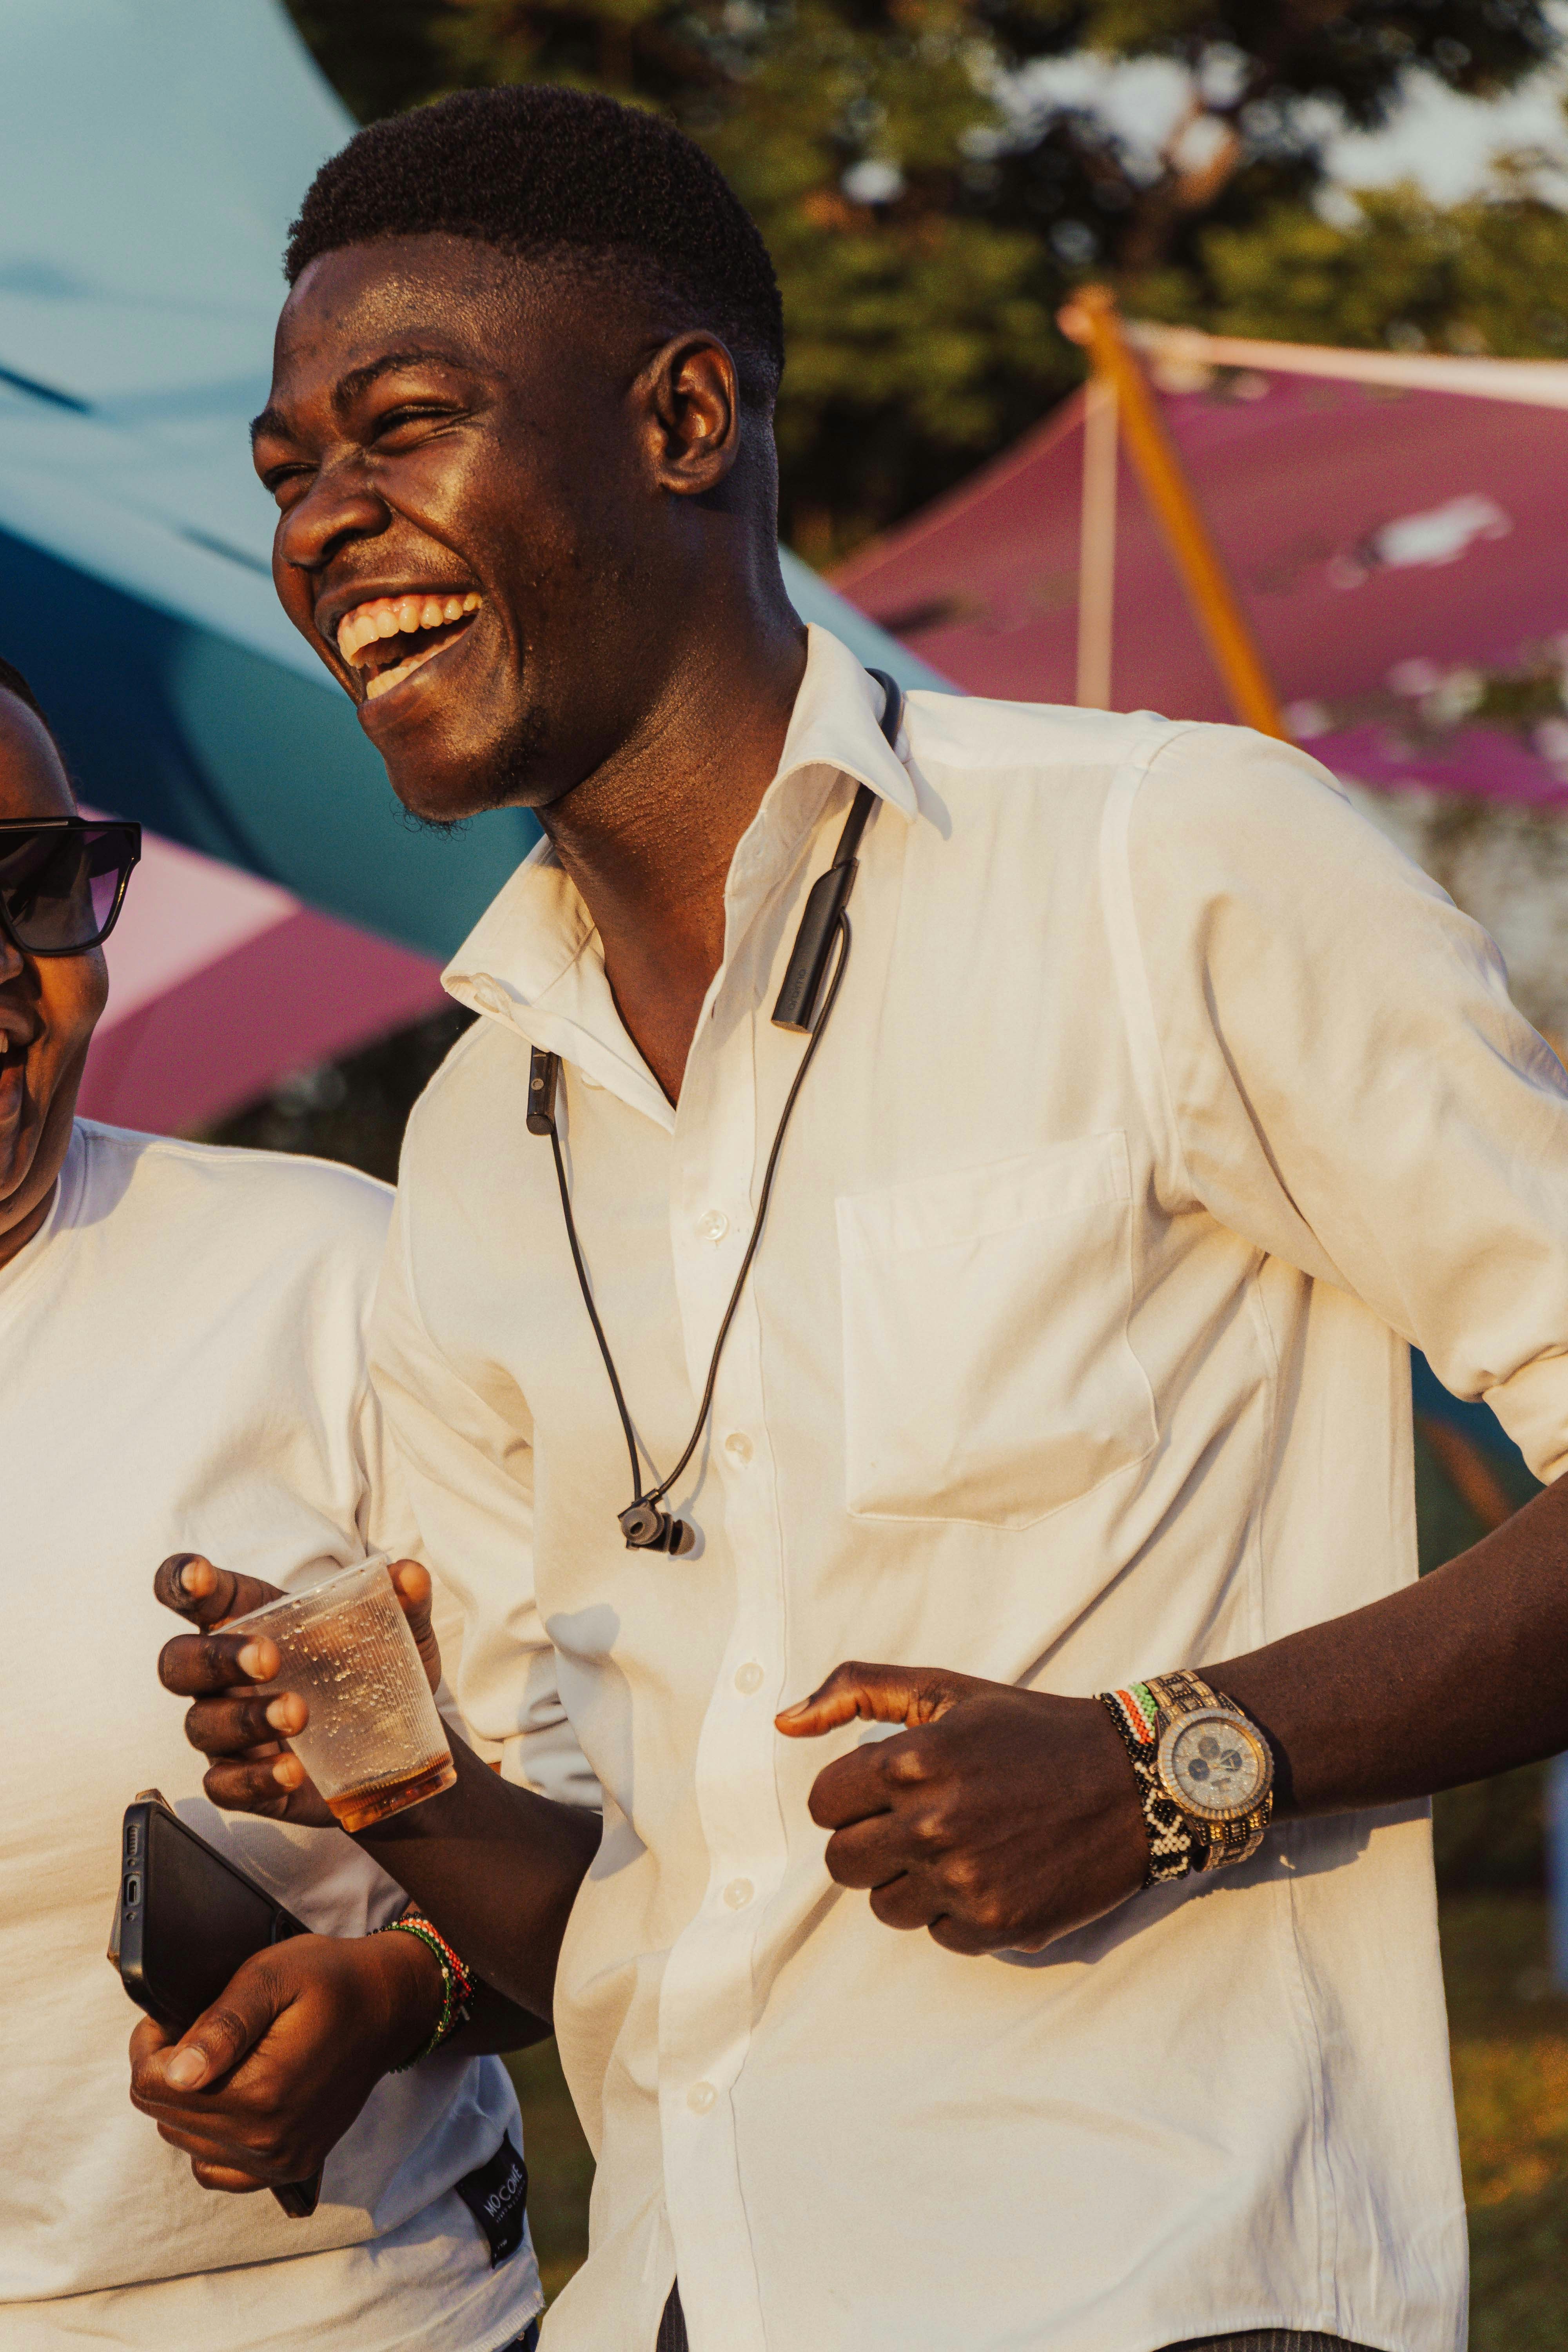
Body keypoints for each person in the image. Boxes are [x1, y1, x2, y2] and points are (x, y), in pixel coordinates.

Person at [154, 86, 1568, 2352]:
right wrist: (395, 1783)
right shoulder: (482, 1129)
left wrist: (1168, 1765)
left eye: (401, 429)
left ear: (684, 419)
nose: (324, 523)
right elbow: (620, 1928)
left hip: (1151, 2299)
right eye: (287, 472)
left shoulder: (1164, 864)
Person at [0, 656, 546, 2352]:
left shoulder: (322, 1280)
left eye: (34, 884)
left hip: (346, 2312)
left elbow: (633, 1850)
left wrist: (396, 1993)